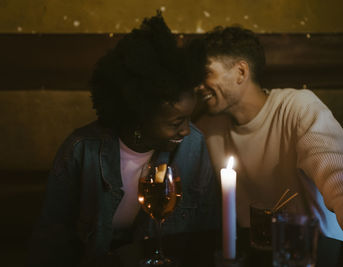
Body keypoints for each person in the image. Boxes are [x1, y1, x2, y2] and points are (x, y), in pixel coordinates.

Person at [194, 26, 343, 266]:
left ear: (241, 72)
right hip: (257, 257)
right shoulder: (208, 127)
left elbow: (340, 178)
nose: (198, 86)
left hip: (322, 254)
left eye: (205, 74)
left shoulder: (298, 107)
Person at [28, 13, 219, 267]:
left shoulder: (193, 146)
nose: (187, 130)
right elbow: (52, 239)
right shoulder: (81, 149)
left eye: (188, 119)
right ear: (139, 115)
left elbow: (208, 230)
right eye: (176, 122)